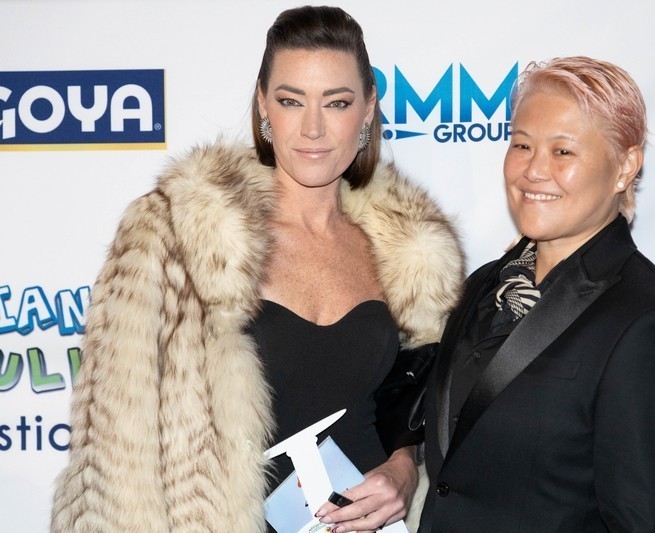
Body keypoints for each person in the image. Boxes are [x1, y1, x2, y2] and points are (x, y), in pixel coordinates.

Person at [51, 6, 464, 533]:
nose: (313, 128)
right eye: (291, 101)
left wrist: (403, 468)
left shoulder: (409, 251)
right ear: (264, 105)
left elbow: (409, 406)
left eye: (336, 103)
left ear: (367, 111)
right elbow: (114, 444)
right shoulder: (175, 233)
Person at [419, 56, 655, 532]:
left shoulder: (650, 322)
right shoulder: (483, 287)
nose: (534, 170)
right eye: (522, 145)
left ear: (625, 167)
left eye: (563, 151)